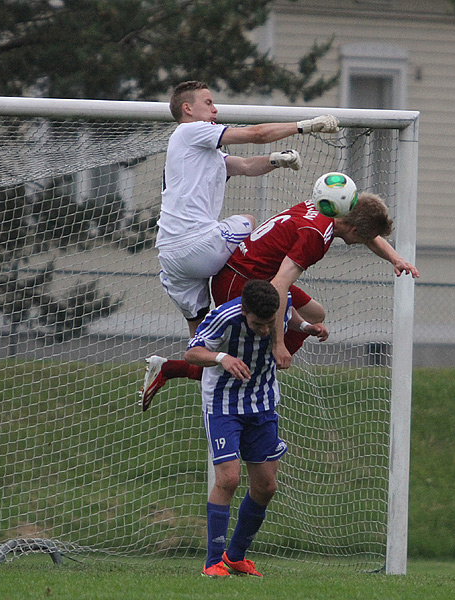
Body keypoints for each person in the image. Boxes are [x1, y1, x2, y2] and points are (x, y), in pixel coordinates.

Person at [140, 191, 418, 408]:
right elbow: (279, 286)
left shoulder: (325, 206)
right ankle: (170, 369)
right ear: (354, 231)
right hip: (241, 282)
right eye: (365, 239)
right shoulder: (315, 238)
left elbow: (367, 232)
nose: (364, 243)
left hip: (255, 273)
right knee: (244, 361)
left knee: (315, 314)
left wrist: (395, 258)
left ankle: (260, 366)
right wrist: (279, 344)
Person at [156, 80, 338, 340]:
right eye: (208, 103)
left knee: (200, 338)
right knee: (249, 222)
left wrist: (276, 160)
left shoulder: (197, 151)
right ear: (187, 108)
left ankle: (172, 368)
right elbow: (257, 134)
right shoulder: (190, 131)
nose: (215, 110)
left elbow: (245, 165)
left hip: (170, 258)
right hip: (197, 246)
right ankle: (273, 288)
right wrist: (304, 126)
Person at [184, 279, 327, 577]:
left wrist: (307, 329)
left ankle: (235, 556)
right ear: (244, 311)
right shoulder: (224, 317)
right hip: (224, 406)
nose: (265, 330)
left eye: (269, 324)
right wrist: (222, 358)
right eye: (258, 324)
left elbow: (293, 319)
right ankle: (212, 563)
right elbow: (192, 353)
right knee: (229, 479)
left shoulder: (280, 304)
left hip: (262, 406)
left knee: (266, 486)